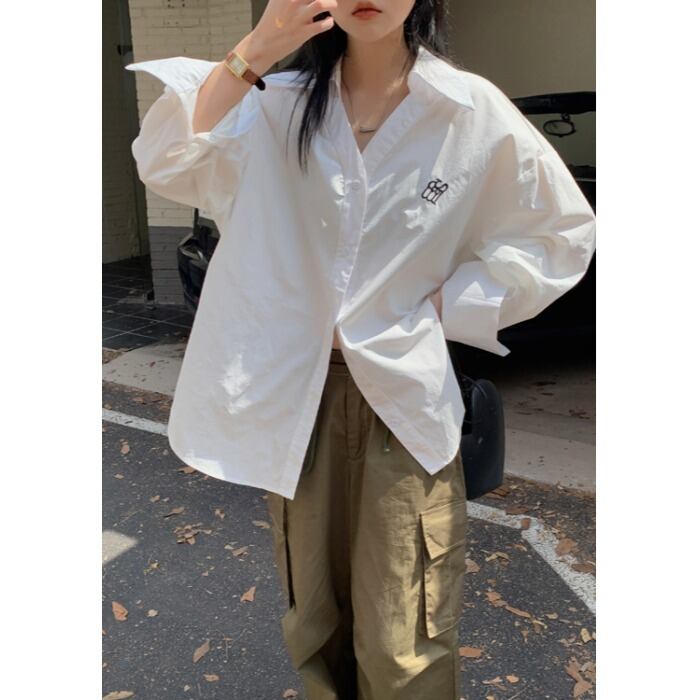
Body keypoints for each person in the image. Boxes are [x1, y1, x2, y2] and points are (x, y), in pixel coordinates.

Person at [125, 1, 596, 697]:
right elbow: (166, 158)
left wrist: (445, 308)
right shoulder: (274, 104)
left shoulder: (468, 111)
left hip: (400, 401)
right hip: (298, 399)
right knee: (314, 622)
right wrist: (260, 44)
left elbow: (559, 233)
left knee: (406, 639)